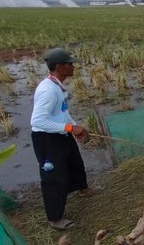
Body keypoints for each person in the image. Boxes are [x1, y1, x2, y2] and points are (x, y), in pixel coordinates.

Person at [30, 48, 93, 230]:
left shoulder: (58, 85)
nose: (73, 66)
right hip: (46, 139)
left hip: (60, 133)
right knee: (55, 177)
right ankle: (55, 218)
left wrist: (73, 127)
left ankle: (83, 189)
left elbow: (62, 112)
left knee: (75, 163)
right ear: (59, 66)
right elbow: (38, 121)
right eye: (70, 64)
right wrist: (69, 127)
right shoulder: (47, 90)